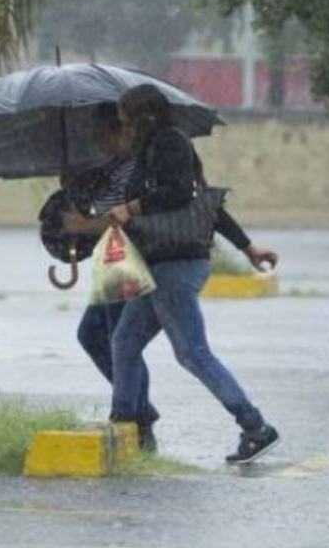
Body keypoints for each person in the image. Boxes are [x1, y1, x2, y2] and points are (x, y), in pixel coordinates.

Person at [62, 98, 278, 461]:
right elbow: (206, 204)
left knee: (193, 353)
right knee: (124, 341)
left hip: (176, 265)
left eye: (126, 119)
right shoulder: (150, 151)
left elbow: (181, 193)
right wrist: (248, 248)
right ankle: (127, 420)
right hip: (158, 265)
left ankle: (255, 426)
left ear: (144, 117)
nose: (124, 127)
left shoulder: (170, 142)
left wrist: (130, 208)